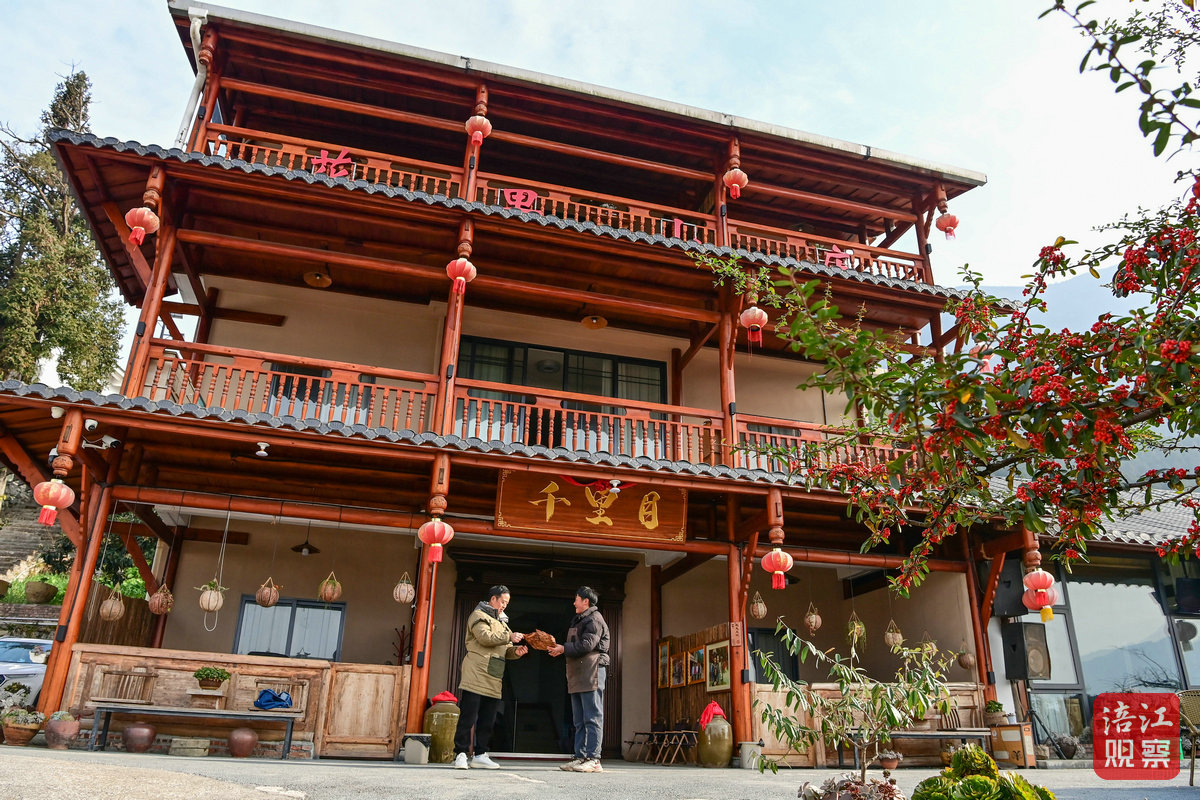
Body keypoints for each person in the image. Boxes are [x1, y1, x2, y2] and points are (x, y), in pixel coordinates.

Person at [452, 585, 527, 769]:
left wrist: (516, 652)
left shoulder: (502, 622)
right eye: (502, 601)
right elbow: (485, 637)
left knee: (488, 718)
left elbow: (505, 650)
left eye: (507, 603)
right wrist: (509, 636)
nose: (504, 606)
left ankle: (480, 754)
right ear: (493, 599)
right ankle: (460, 754)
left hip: (494, 675)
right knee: (468, 716)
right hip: (476, 673)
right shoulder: (478, 615)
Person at [548, 585, 609, 773]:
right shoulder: (580, 619)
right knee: (579, 720)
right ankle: (580, 756)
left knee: (593, 717)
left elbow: (587, 645)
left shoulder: (594, 619)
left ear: (585, 601)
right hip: (579, 672)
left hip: (592, 671)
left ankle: (594, 759)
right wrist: (561, 649)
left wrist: (563, 648)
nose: (574, 603)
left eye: (576, 599)